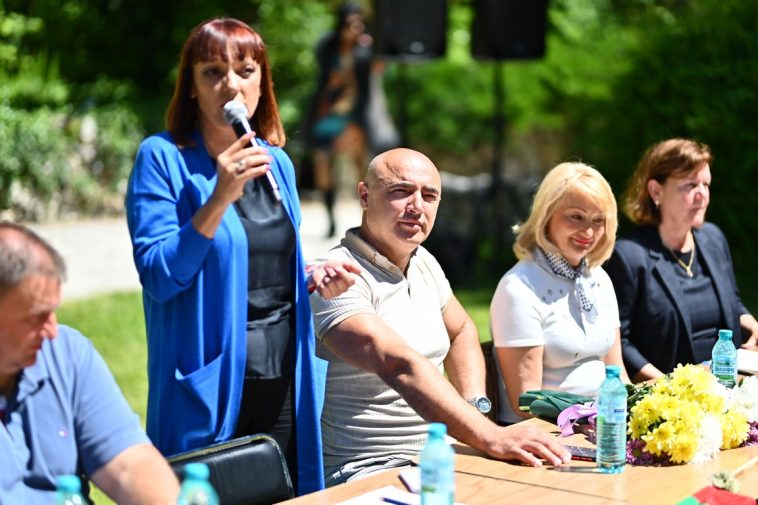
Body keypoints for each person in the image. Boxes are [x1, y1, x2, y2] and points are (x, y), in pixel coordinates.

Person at [124, 18, 360, 495]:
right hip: (211, 385)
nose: (231, 85)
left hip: (285, 378)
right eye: (212, 72)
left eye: (246, 71)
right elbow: (159, 276)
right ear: (191, 87)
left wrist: (311, 275)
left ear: (261, 83)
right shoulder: (163, 158)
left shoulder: (277, 162)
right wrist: (217, 198)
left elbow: (260, 262)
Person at [309, 148, 571, 486]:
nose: (417, 206)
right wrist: (490, 435)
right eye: (401, 191)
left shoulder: (424, 262)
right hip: (368, 468)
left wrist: (474, 408)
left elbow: (461, 330)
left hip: (442, 453)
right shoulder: (335, 276)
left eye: (429, 195)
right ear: (365, 195)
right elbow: (396, 364)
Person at [0, 222, 180, 504]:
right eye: (35, 317)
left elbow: (130, 466)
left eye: (53, 312)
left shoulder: (65, 354)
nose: (52, 331)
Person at [604, 138, 758, 382]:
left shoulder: (714, 238)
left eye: (706, 185)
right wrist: (667, 385)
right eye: (690, 185)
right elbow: (619, 341)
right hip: (670, 396)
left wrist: (752, 324)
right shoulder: (628, 256)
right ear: (656, 191)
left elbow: (734, 302)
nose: (702, 195)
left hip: (732, 384)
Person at [489, 162, 630, 426]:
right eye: (576, 217)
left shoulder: (599, 278)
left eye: (598, 220)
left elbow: (618, 373)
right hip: (545, 433)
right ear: (546, 215)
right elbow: (527, 402)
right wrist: (592, 416)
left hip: (603, 424)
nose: (588, 232)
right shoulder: (518, 288)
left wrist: (640, 411)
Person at [303, 3, 374, 237]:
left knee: (362, 168)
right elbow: (325, 77)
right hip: (328, 112)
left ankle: (368, 221)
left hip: (355, 115)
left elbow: (374, 76)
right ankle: (330, 219)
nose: (356, 28)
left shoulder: (366, 48)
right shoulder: (328, 46)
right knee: (323, 164)